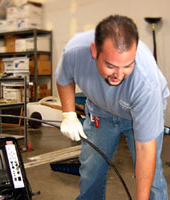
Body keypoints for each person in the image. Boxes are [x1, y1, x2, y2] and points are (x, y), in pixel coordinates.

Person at [55, 15, 169, 200]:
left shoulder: (147, 84)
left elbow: (144, 150)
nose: (119, 75)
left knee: (152, 177)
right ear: (94, 51)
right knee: (91, 171)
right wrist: (68, 114)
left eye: (127, 66)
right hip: (101, 112)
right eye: (111, 65)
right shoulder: (75, 52)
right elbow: (63, 78)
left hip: (138, 114)